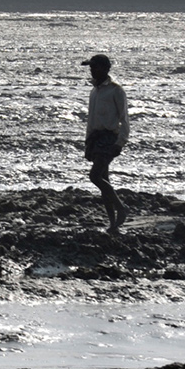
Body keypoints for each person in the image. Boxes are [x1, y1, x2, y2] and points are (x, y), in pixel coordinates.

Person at [83, 54, 130, 234]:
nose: (92, 70)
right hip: (95, 138)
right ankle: (113, 224)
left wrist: (120, 142)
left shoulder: (116, 90)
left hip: (109, 138)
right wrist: (87, 143)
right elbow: (91, 120)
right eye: (91, 68)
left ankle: (122, 209)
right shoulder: (94, 91)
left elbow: (124, 119)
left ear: (105, 69)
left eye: (95, 67)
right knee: (105, 180)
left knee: (95, 177)